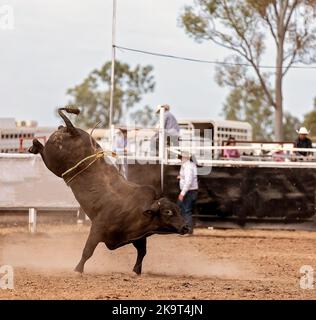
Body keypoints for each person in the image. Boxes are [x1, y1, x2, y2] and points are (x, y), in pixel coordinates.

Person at [177, 151, 198, 235]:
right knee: (185, 210)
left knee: (186, 210)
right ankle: (187, 229)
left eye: (181, 157)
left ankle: (187, 230)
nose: (180, 159)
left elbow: (189, 181)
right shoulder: (189, 165)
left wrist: (182, 193)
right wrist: (181, 177)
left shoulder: (187, 167)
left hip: (189, 191)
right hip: (190, 191)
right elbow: (189, 178)